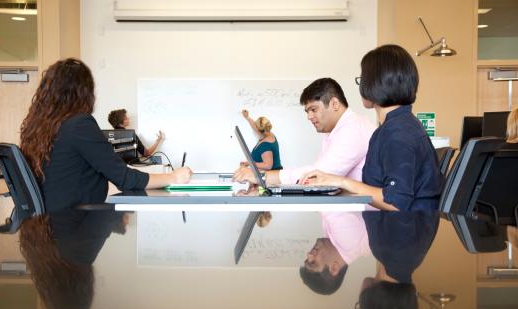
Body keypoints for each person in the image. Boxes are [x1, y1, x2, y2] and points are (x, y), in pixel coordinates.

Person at [20, 58, 192, 212]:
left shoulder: (41, 128)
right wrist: (173, 177)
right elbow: (125, 178)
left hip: (50, 227)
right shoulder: (79, 124)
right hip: (74, 225)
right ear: (83, 92)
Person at [300, 45, 443, 211]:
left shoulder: (398, 133)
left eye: (363, 80)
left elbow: (395, 202)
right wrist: (334, 181)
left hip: (402, 232)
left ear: (377, 84)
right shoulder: (398, 126)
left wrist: (341, 181)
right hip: (401, 229)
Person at [233, 78, 375, 186]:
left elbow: (319, 174)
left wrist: (261, 177)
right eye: (307, 111)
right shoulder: (334, 131)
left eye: (313, 109)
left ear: (334, 104)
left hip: (356, 218)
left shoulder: (353, 130)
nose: (309, 117)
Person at [357, 210, 439, 309]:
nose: (360, 303)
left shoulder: (413, 259)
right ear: (375, 305)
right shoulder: (387, 248)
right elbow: (398, 192)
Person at [300, 212, 370, 295]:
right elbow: (326, 200)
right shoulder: (347, 240)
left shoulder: (339, 245)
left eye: (307, 259)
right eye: (313, 263)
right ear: (334, 268)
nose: (309, 255)